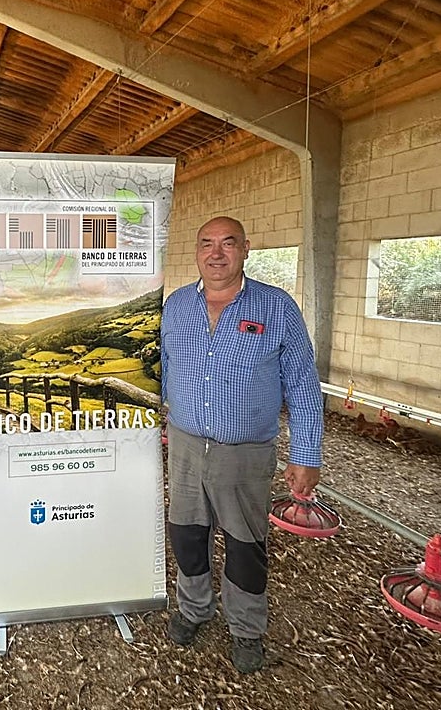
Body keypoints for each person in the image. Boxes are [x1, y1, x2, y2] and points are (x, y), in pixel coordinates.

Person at [160, 216, 323, 674]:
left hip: (246, 452)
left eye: (227, 243)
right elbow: (165, 369)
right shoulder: (176, 305)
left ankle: (246, 628)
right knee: (187, 535)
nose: (216, 253)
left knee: (245, 543)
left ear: (246, 249)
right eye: (206, 244)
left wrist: (306, 455)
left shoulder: (276, 307)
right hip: (186, 444)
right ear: (196, 251)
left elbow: (303, 385)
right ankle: (194, 608)